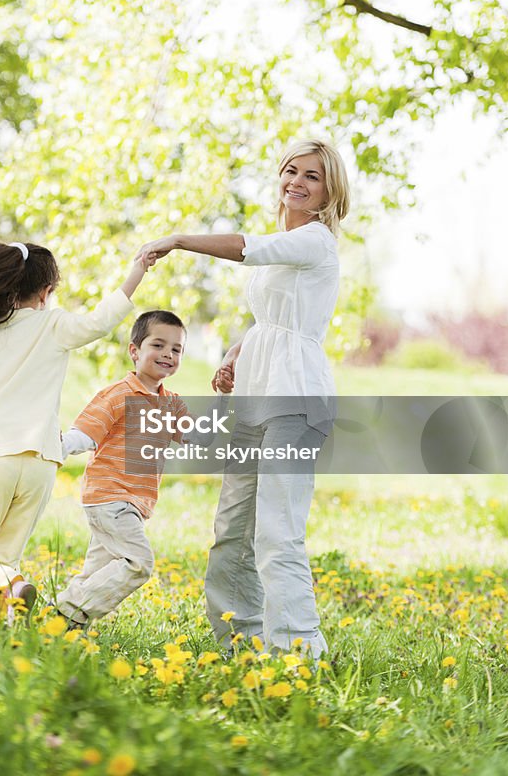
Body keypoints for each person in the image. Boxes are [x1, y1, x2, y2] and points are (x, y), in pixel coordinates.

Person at [137, 139, 350, 659]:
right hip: (256, 393)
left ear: (329, 191)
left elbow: (248, 249)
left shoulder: (317, 241)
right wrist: (236, 353)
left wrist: (180, 240)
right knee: (233, 528)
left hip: (295, 399)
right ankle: (238, 643)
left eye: (312, 176)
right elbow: (274, 319)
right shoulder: (288, 241)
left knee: (278, 532)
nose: (296, 182)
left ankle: (300, 653)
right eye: (290, 170)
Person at [0, 240, 153, 615]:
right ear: (46, 292)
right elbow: (101, 320)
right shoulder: (53, 325)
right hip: (42, 464)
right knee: (4, 557)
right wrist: (137, 270)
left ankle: (8, 587)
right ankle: (3, 625)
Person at [54, 310, 188, 628]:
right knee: (138, 562)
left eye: (176, 349)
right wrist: (59, 446)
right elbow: (87, 432)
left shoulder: (172, 404)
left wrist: (224, 397)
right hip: (110, 498)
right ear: (135, 351)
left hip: (133, 504)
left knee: (99, 570)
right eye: (158, 345)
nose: (168, 354)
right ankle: (68, 609)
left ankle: (63, 627)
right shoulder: (118, 395)